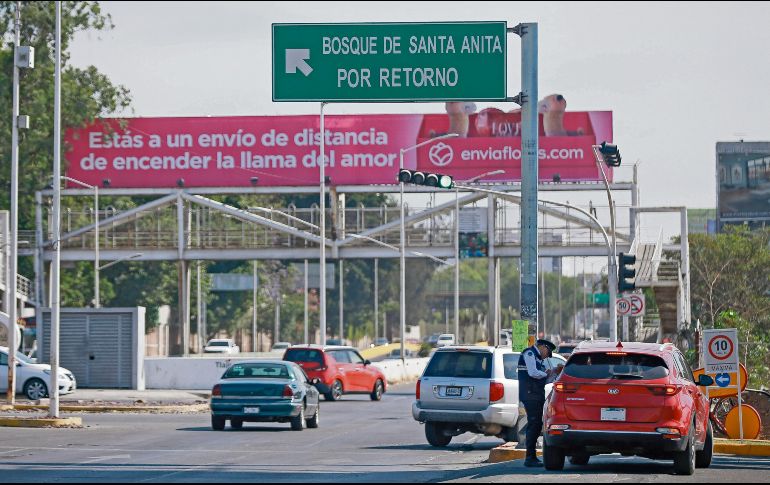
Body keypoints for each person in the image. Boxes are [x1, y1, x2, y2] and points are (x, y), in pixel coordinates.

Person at [517, 338, 557, 468]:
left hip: (536, 395)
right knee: (534, 425)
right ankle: (530, 458)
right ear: (543, 347)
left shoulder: (538, 359)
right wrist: (546, 374)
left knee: (536, 425)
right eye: (548, 352)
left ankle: (531, 457)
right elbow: (533, 372)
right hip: (530, 395)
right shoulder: (529, 353)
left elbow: (541, 378)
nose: (547, 356)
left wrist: (552, 374)